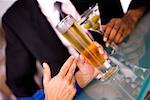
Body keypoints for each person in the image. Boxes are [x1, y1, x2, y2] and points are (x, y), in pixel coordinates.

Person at [2, 0, 149, 97]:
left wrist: (131, 17)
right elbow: (18, 82)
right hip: (84, 92)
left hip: (137, 58)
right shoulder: (15, 19)